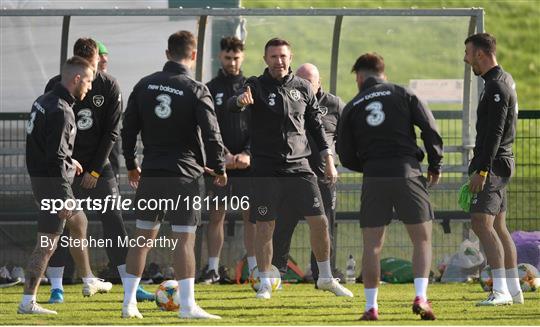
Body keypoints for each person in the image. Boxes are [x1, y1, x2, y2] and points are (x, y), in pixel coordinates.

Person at [229, 38, 352, 300]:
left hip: (300, 167)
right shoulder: (255, 85)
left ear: (290, 57)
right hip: (266, 169)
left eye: (283, 56)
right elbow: (232, 104)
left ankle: (326, 278)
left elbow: (317, 128)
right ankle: (264, 282)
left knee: (319, 221)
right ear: (265, 60)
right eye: (273, 56)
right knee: (266, 225)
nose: (278, 61)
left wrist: (328, 160)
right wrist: (240, 101)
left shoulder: (303, 87)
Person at [120, 30, 226, 319]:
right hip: (184, 177)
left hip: (151, 174)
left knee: (141, 238)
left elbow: (127, 130)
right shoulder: (196, 89)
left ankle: (128, 304)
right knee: (184, 240)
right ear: (193, 55)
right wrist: (219, 167)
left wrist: (131, 163)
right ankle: (188, 307)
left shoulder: (144, 85)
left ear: (167, 53)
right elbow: (212, 134)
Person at [43, 38, 154, 304]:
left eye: (96, 64)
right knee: (59, 223)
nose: (95, 71)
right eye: (90, 66)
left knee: (113, 219)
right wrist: (67, 165)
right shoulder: (57, 84)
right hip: (66, 167)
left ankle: (131, 285)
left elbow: (112, 132)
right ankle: (56, 287)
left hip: (99, 167)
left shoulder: (109, 85)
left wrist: (93, 171)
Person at [337, 52, 443, 321]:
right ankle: (421, 296)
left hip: (374, 177)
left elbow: (345, 153)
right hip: (407, 172)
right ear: (382, 72)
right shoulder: (403, 93)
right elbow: (430, 129)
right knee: (421, 239)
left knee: (372, 245)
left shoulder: (352, 105)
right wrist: (434, 164)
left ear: (360, 77)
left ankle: (371, 307)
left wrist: (369, 166)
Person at [19, 56, 95, 315]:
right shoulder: (63, 111)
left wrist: (68, 160)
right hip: (53, 185)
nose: (90, 87)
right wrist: (63, 196)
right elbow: (54, 159)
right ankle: (27, 301)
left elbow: (47, 146)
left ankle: (88, 279)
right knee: (46, 245)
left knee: (80, 221)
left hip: (42, 178)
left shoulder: (43, 101)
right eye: (88, 81)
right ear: (76, 79)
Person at [463, 33, 522, 306]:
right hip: (503, 162)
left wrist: (482, 169)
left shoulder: (496, 86)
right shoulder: (503, 79)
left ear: (480, 55)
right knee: (499, 225)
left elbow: (494, 132)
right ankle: (514, 289)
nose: (465, 59)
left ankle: (500, 291)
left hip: (494, 164)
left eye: (468, 53)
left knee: (481, 223)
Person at [272, 63, 344, 284]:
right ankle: (276, 273)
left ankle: (322, 274)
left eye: (309, 82)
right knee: (282, 227)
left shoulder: (335, 105)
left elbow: (347, 136)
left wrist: (334, 162)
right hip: (292, 175)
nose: (304, 85)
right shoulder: (288, 98)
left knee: (323, 227)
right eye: (300, 80)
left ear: (318, 83)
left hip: (322, 178)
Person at [197, 36, 256, 284]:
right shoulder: (210, 88)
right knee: (216, 215)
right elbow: (206, 127)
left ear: (242, 57)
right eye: (227, 58)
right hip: (219, 163)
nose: (232, 62)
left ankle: (254, 267)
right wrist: (222, 156)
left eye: (236, 58)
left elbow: (259, 126)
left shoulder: (251, 87)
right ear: (220, 57)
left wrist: (248, 154)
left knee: (250, 214)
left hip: (245, 164)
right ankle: (212, 269)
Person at [96, 40, 122, 180]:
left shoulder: (111, 85)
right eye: (100, 55)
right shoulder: (78, 86)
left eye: (105, 55)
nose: (104, 59)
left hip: (110, 150)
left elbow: (114, 126)